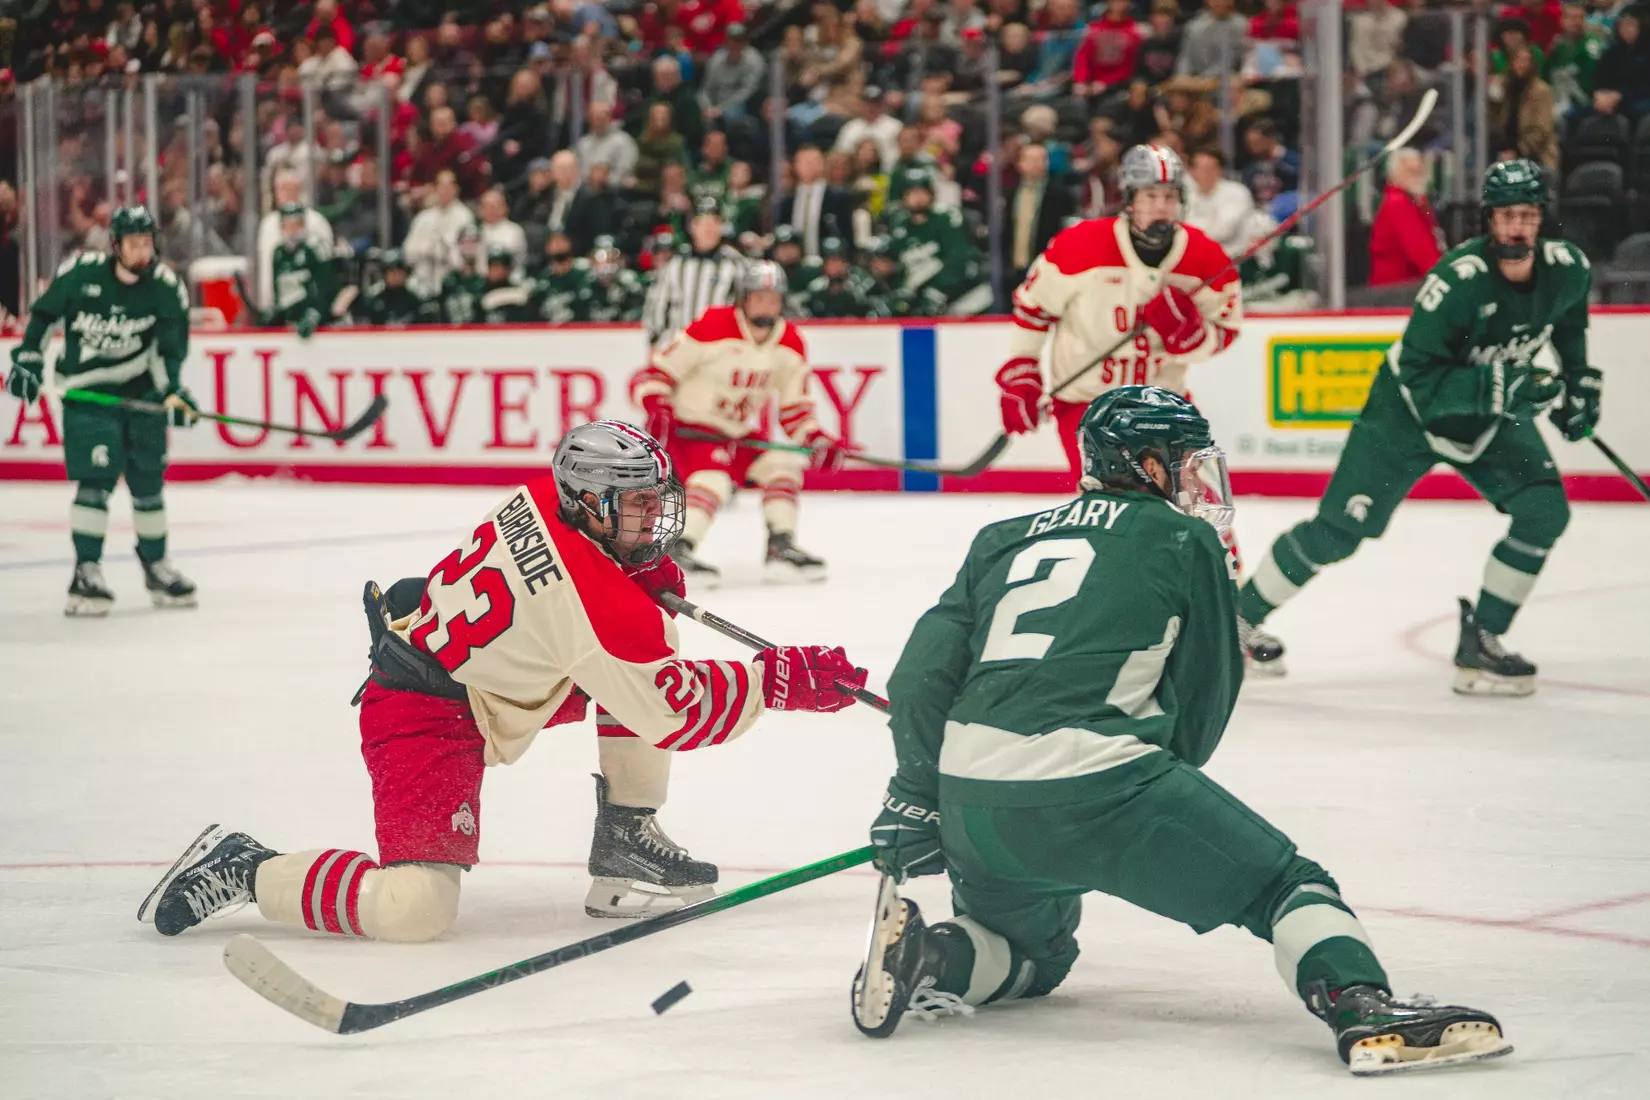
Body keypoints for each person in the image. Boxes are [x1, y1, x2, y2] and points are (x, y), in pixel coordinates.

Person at [853, 386, 1512, 1078]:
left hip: (973, 795)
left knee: (1031, 956)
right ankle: (1361, 1003)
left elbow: (921, 679)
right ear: (1143, 465)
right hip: (1103, 786)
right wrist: (1150, 799)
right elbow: (1203, 698)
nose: (1196, 474)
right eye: (1182, 460)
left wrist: (920, 797)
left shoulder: (998, 540)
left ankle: (930, 956)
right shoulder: (1183, 536)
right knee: (1285, 885)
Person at [140, 421, 869, 937]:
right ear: (590, 503)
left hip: (495, 675)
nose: (655, 517)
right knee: (414, 910)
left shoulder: (543, 495)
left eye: (654, 500)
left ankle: (625, 839)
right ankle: (248, 869)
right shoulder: (591, 601)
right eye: (638, 505)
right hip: (422, 709)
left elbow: (598, 619)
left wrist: (629, 564)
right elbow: (669, 713)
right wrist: (775, 681)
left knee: (654, 644)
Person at [1236, 161, 1598, 694]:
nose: (1516, 227)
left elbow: (1568, 324)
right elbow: (1419, 378)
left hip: (1485, 421)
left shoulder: (1569, 268)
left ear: (1542, 219)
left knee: (1544, 510)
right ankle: (1237, 622)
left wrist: (1580, 386)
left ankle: (1484, 639)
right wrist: (1502, 388)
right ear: (1488, 221)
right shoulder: (1457, 281)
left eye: (1527, 214)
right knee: (1338, 532)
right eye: (1506, 215)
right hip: (1402, 418)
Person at [991, 145, 1264, 663]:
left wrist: (1188, 337)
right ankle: (1117, 625)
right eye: (1150, 196)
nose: (1160, 207)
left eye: (1169, 197)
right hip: (1089, 408)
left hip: (1168, 408)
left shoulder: (1204, 257)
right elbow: (1031, 307)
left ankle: (1227, 613)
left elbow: (1225, 332)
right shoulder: (1078, 246)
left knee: (1206, 510)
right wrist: (1021, 372)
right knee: (1113, 516)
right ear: (1128, 200)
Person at [4, 206, 197, 615]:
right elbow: (43, 316)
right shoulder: (81, 272)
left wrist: (173, 390)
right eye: (134, 243)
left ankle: (156, 565)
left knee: (148, 483)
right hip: (88, 396)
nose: (142, 251)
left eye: (147, 243)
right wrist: (28, 358)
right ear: (115, 246)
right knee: (96, 481)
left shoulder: (165, 286)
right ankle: (86, 570)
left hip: (141, 397)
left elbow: (169, 349)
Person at [635, 261, 852, 586]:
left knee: (783, 467)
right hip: (693, 429)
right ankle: (677, 550)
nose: (767, 304)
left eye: (773, 297)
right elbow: (657, 374)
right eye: (759, 296)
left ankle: (781, 546)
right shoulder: (711, 326)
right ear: (743, 298)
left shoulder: (791, 342)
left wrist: (816, 440)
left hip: (738, 435)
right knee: (714, 480)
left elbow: (795, 410)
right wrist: (658, 407)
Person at [885, 168, 995, 316]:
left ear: (931, 194)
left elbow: (958, 259)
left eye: (922, 192)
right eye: (911, 193)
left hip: (967, 298)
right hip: (930, 303)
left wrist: (935, 290)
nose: (917, 198)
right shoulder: (900, 224)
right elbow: (897, 264)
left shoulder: (947, 217)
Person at [642, 198, 745, 350]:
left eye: (715, 223)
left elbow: (743, 308)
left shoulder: (735, 264)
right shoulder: (675, 264)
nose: (709, 229)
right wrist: (654, 343)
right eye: (703, 223)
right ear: (693, 226)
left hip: (719, 351)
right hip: (679, 350)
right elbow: (657, 307)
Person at [1368, 148, 1444, 286]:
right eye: (1410, 171)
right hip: (1396, 289)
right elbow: (1421, 252)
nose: (1417, 176)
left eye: (1419, 171)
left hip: (1407, 284)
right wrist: (1445, 278)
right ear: (1395, 175)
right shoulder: (1398, 203)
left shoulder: (1415, 201)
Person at [1183, 148, 1255, 255]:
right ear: (1192, 171)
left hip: (1233, 254)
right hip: (1196, 255)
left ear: (1220, 170)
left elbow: (1223, 230)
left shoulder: (1237, 192)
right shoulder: (1187, 196)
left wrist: (1193, 234)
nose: (1206, 173)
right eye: (1201, 168)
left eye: (1211, 168)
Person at [796, 237, 880, 318]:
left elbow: (870, 304)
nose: (833, 266)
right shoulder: (818, 285)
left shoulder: (860, 278)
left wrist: (848, 292)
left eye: (837, 261)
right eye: (829, 262)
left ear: (845, 262)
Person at [353, 249, 436, 326]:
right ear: (384, 274)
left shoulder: (417, 297)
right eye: (392, 272)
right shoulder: (373, 299)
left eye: (399, 272)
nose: (396, 276)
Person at [534, 233, 596, 323]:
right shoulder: (544, 277)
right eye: (554, 242)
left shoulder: (583, 272)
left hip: (580, 326)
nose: (558, 246)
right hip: (551, 328)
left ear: (569, 244)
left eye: (561, 242)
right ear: (547, 248)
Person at [587, 236, 648, 322]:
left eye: (612, 257)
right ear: (592, 260)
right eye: (601, 257)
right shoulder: (585, 283)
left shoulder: (630, 282)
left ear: (621, 259)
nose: (607, 264)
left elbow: (641, 309)